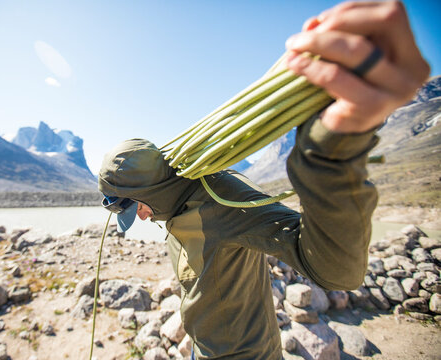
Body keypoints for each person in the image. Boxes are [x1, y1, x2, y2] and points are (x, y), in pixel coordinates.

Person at [98, 2, 429, 359]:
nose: (142, 217)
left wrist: (331, 156)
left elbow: (333, 270)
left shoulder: (221, 198)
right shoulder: (173, 208)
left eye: (135, 207)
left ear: (150, 190)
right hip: (202, 350)